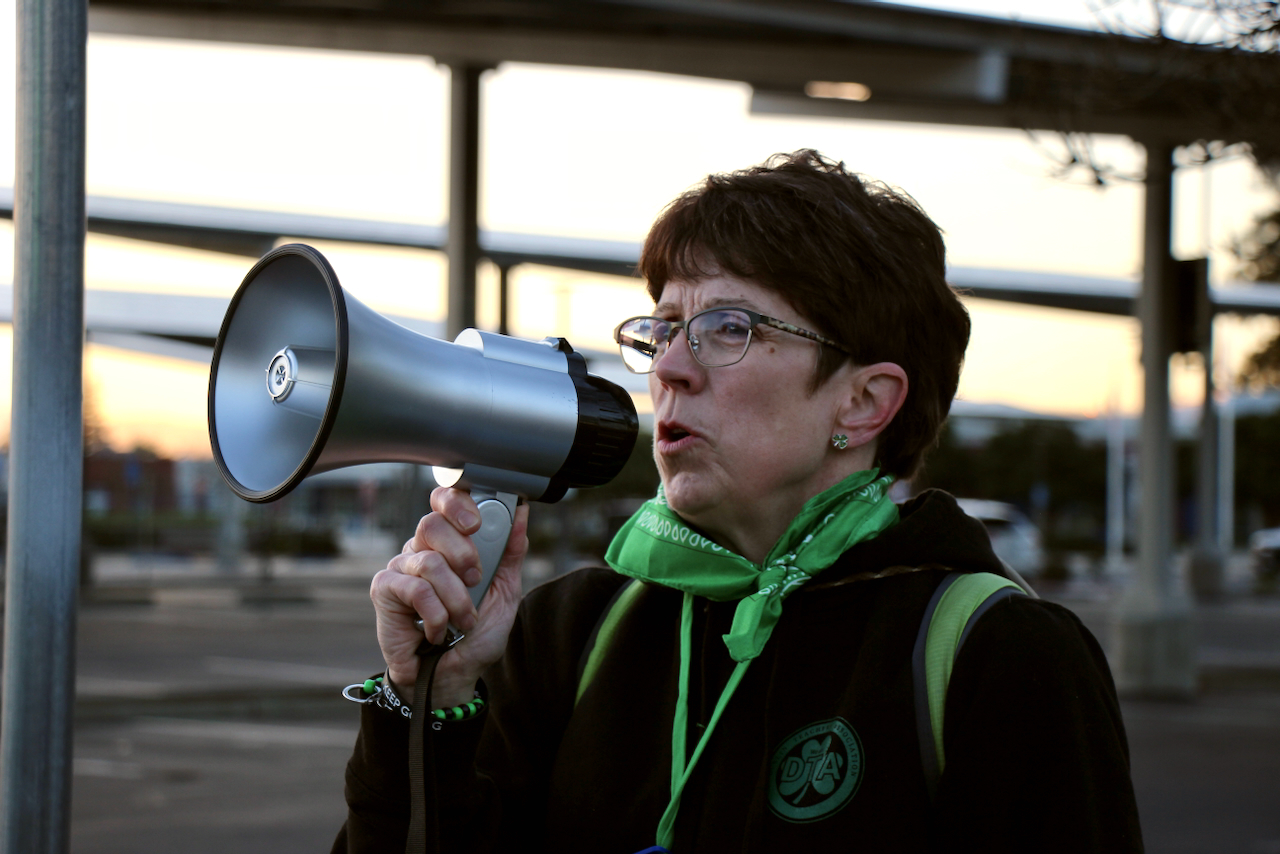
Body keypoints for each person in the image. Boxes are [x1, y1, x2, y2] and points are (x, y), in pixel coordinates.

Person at [332, 150, 1144, 853]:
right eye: (664, 327)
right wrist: (424, 701)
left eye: (728, 328)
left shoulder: (996, 656)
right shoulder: (567, 634)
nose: (670, 368)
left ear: (862, 403)